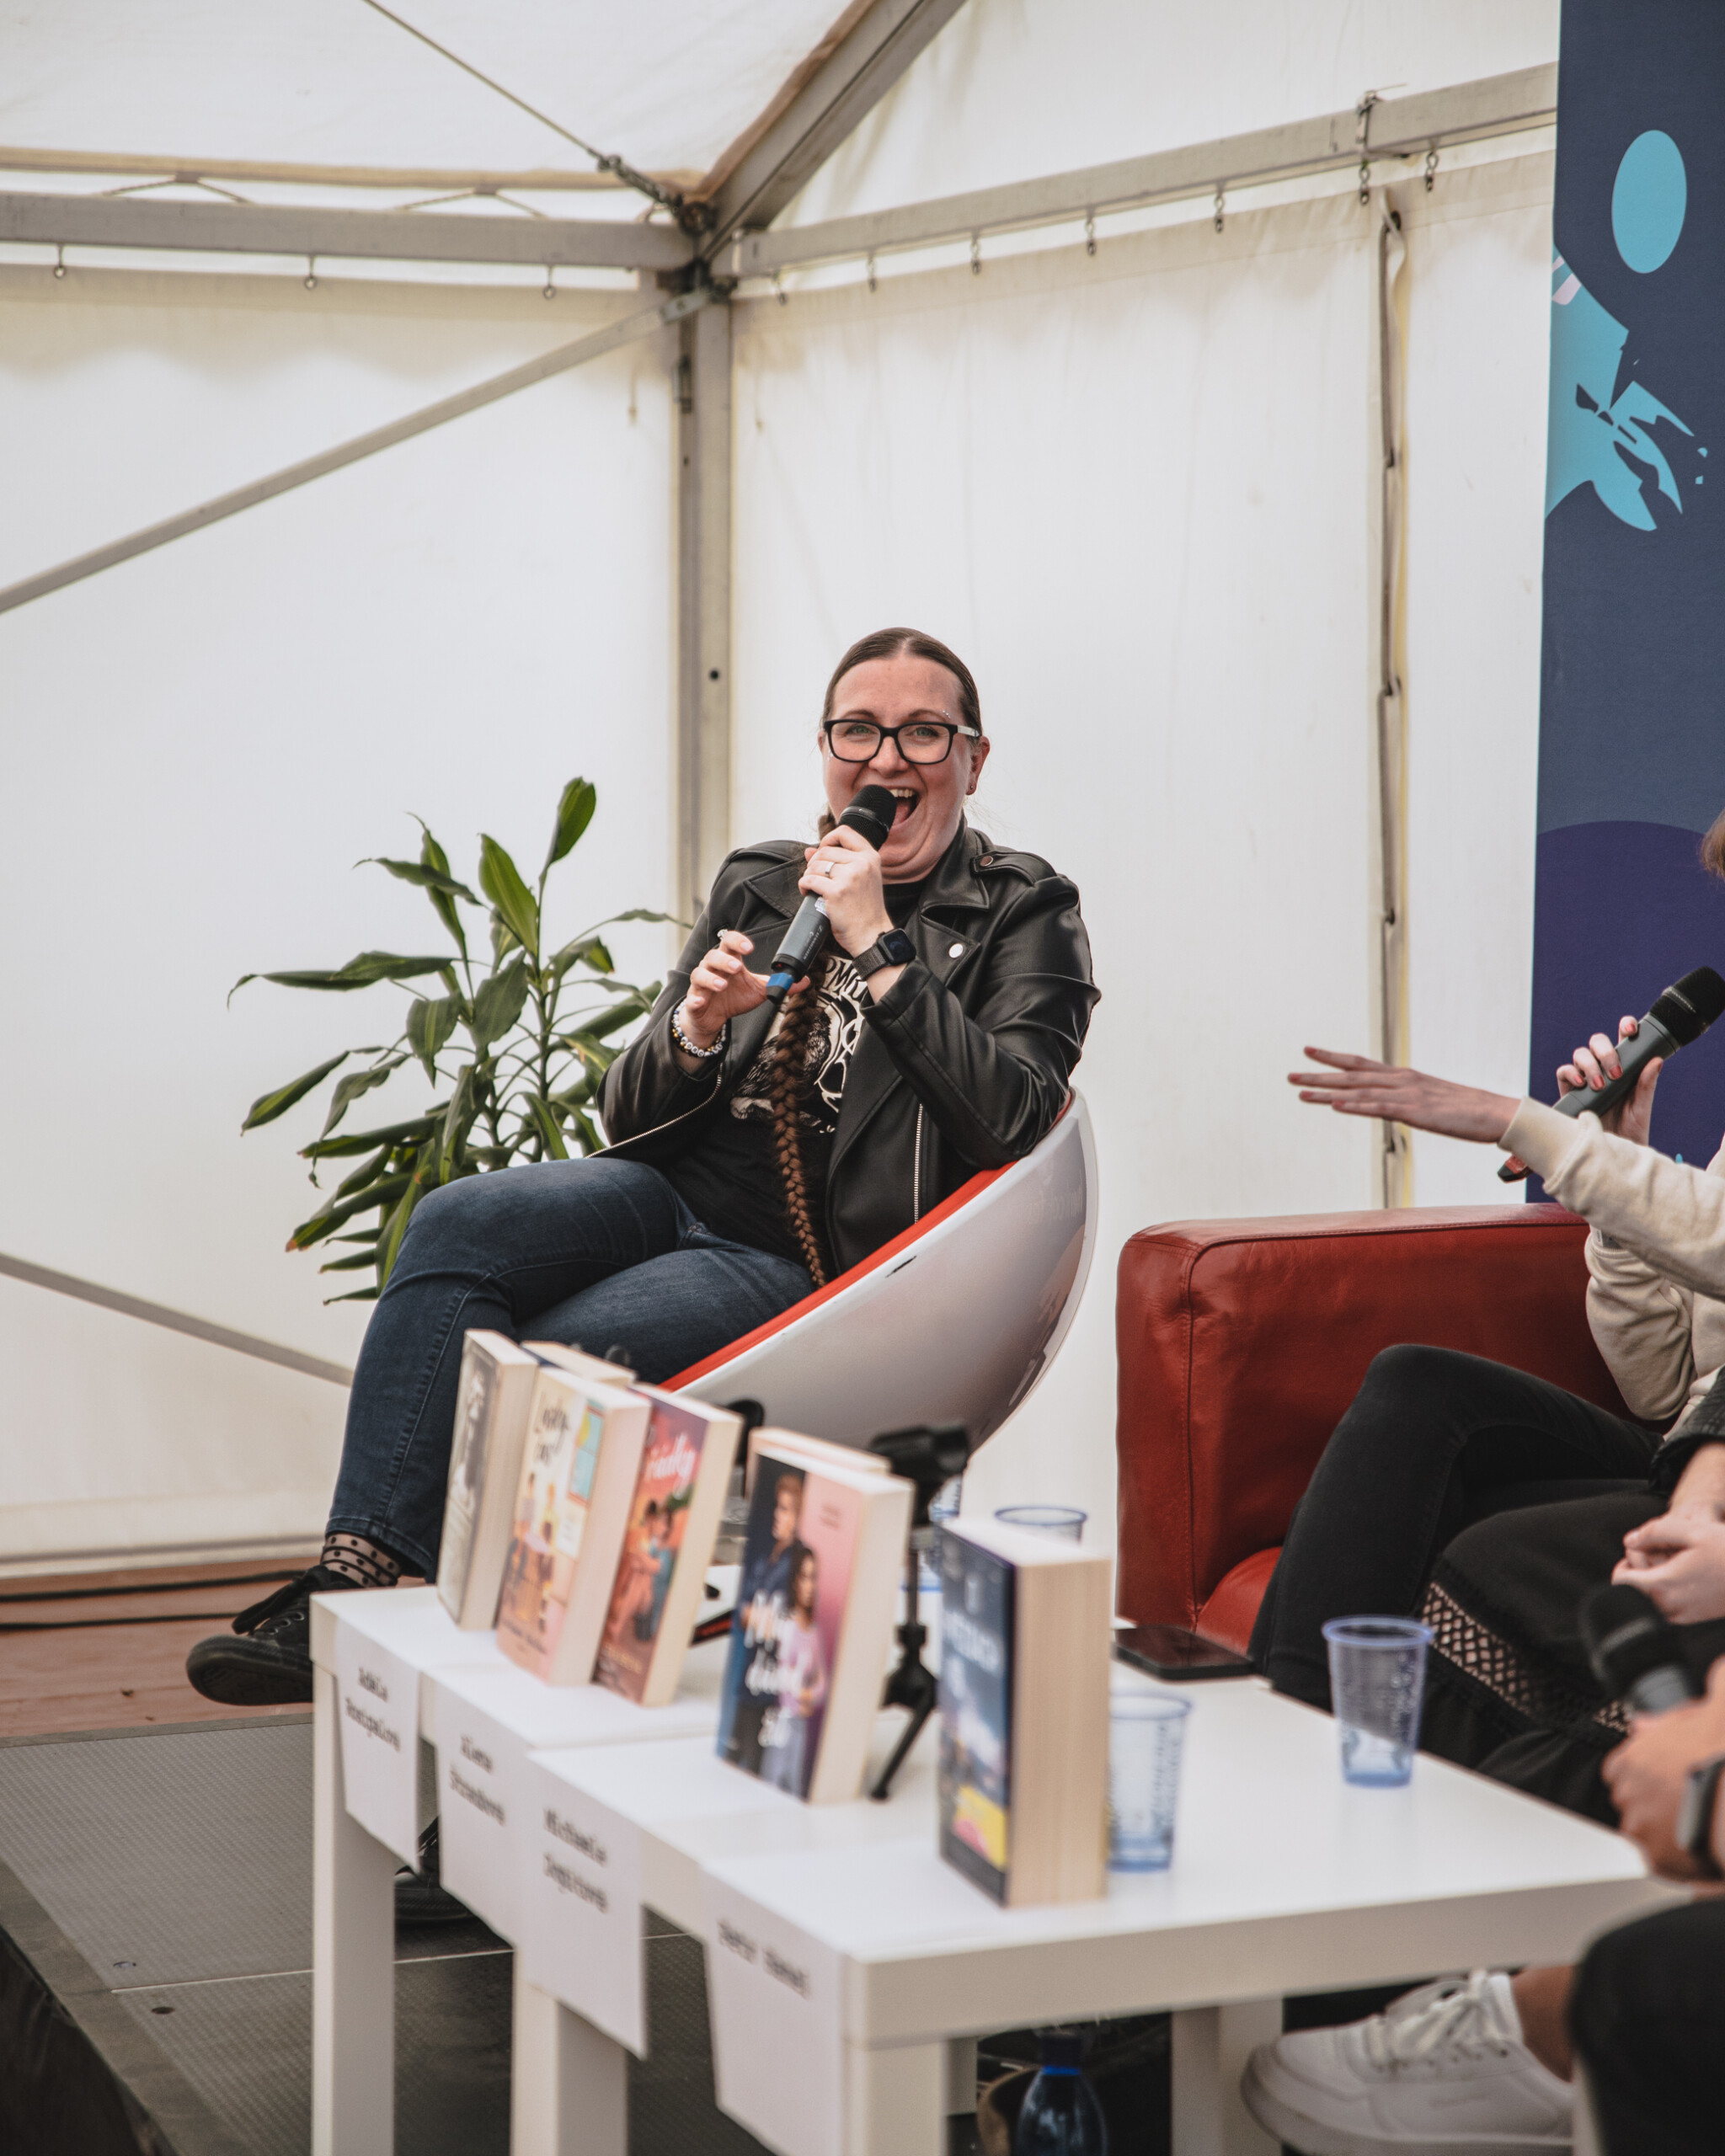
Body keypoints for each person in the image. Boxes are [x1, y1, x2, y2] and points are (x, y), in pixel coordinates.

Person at [187, 627, 1097, 1707]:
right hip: (669, 1194)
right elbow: (624, 1112)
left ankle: (456, 1656)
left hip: (808, 1264)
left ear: (972, 759)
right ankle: (355, 1574)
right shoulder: (763, 882)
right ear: (824, 750)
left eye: (922, 733)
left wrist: (878, 946)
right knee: (454, 1221)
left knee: (543, 1361)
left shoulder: (1022, 908)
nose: (886, 759)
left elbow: (1012, 1117)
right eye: (858, 730)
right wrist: (695, 1032)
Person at [1242, 808, 1725, 2153]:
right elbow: (1661, 1377)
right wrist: (1621, 1181)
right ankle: (1283, 1745)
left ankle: (1382, 1971)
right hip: (1694, 1450)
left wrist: (1527, 1128)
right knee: (1419, 1389)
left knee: (1491, 1563)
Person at [760, 1546, 828, 1796]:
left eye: (813, 1578)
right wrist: (801, 1694)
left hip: (800, 1725)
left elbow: (822, 1680)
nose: (809, 1586)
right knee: (772, 1784)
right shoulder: (783, 1624)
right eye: (804, 1577)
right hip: (780, 1720)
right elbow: (780, 1672)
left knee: (795, 1786)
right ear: (794, 1580)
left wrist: (810, 1694)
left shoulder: (814, 1632)